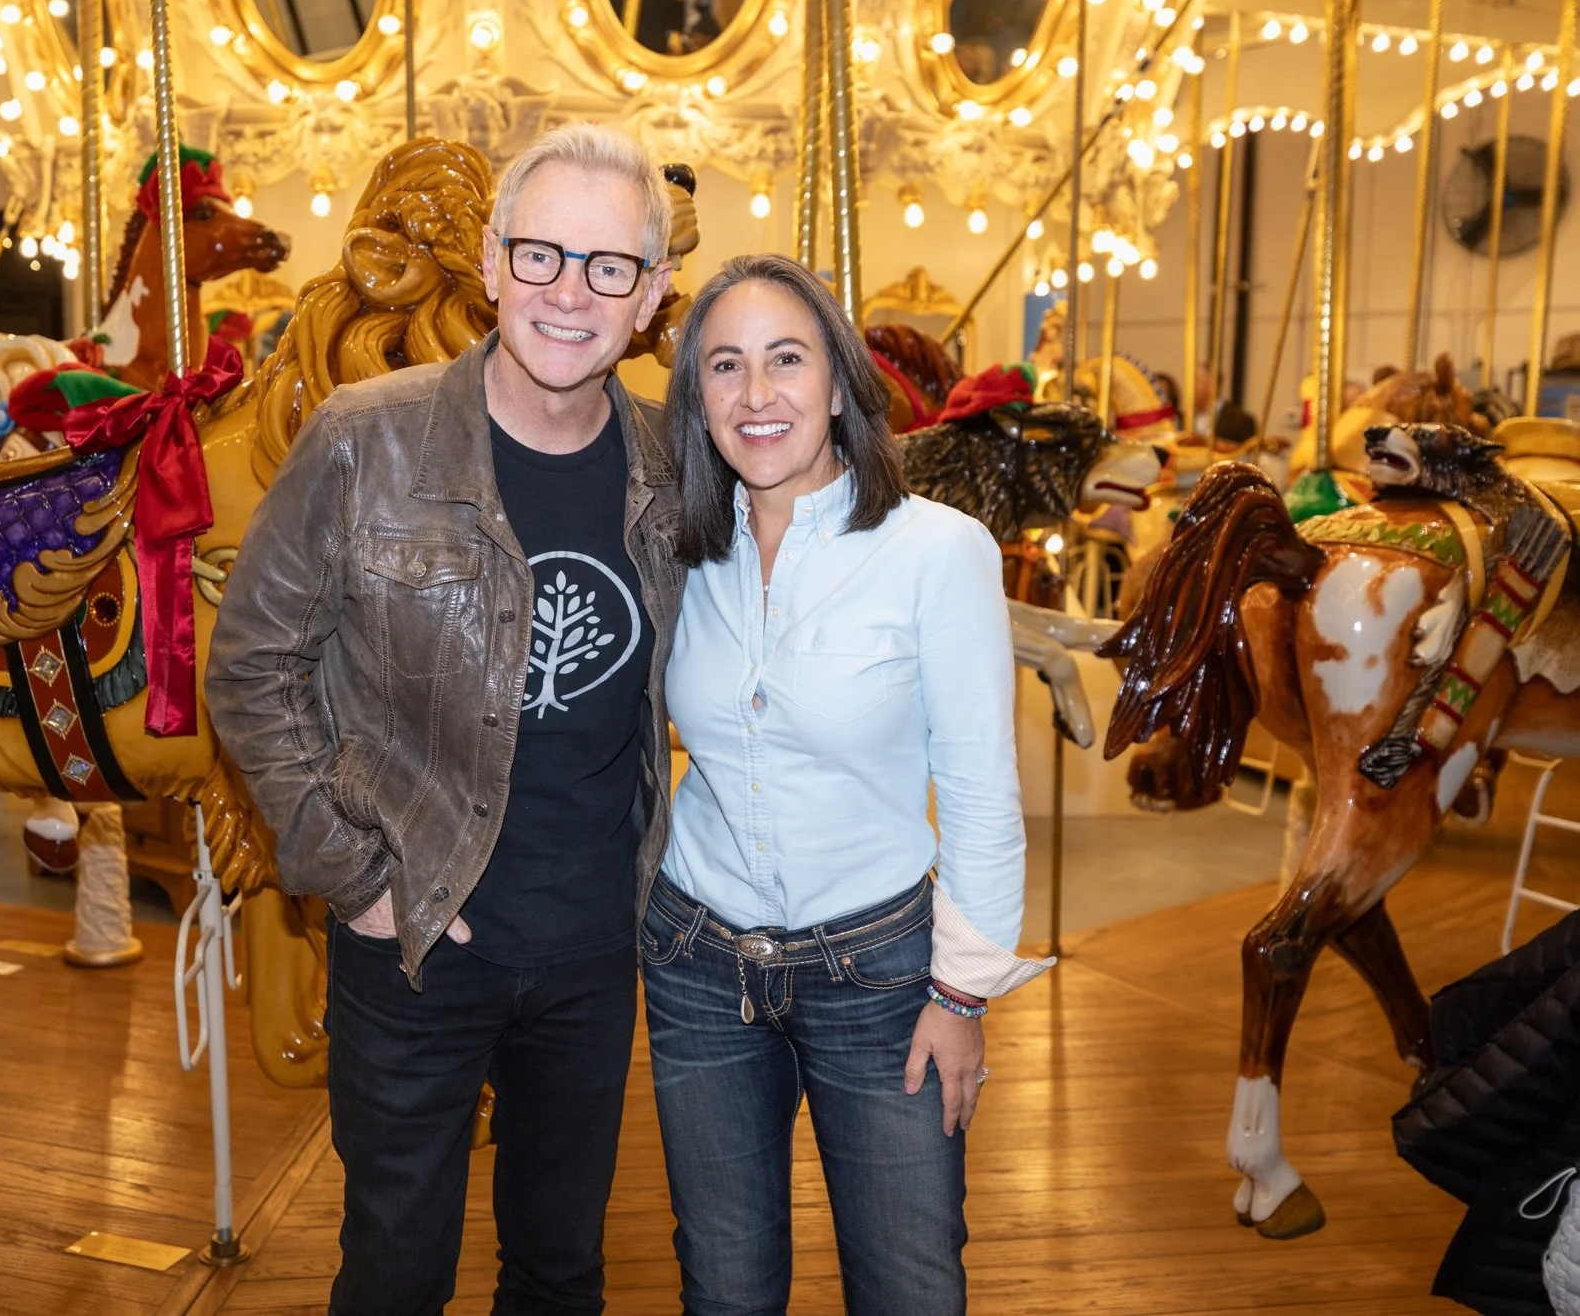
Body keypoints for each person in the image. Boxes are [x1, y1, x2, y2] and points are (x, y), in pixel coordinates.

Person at [205, 124, 683, 1316]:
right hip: (411, 931)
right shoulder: (365, 438)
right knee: (394, 1268)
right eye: (540, 254)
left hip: (590, 945)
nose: (567, 293)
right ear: (489, 256)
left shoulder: (673, 469)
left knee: (562, 1265)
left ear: (651, 294)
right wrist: (351, 873)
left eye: (606, 266)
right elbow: (253, 662)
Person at [647, 253, 1052, 1315]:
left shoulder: (935, 551)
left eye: (787, 359)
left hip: (880, 975)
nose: (755, 394)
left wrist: (960, 992)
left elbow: (977, 789)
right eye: (724, 367)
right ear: (696, 398)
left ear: (838, 381)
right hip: (698, 963)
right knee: (722, 1284)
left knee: (908, 1283)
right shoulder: (682, 552)